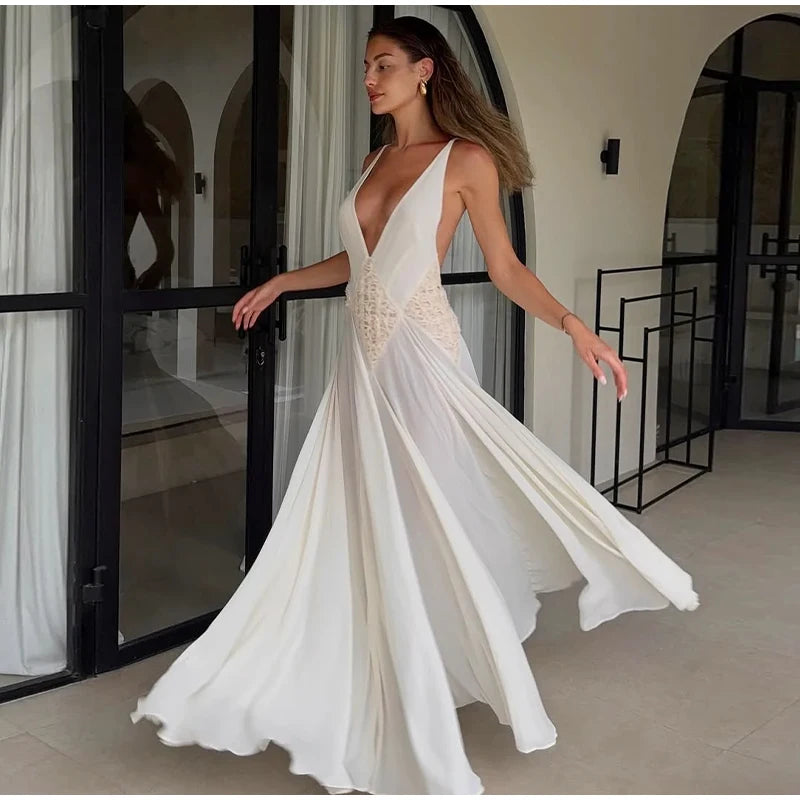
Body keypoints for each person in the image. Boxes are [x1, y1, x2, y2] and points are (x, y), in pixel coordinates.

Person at [131, 17, 698, 795]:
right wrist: (285, 281)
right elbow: (358, 259)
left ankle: (428, 676)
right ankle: (374, 669)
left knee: (424, 516)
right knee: (358, 518)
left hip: (423, 361)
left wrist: (575, 326)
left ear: (425, 70)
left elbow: (503, 266)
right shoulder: (374, 160)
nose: (370, 78)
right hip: (360, 371)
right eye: (366, 66)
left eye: (384, 65)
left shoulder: (466, 160)